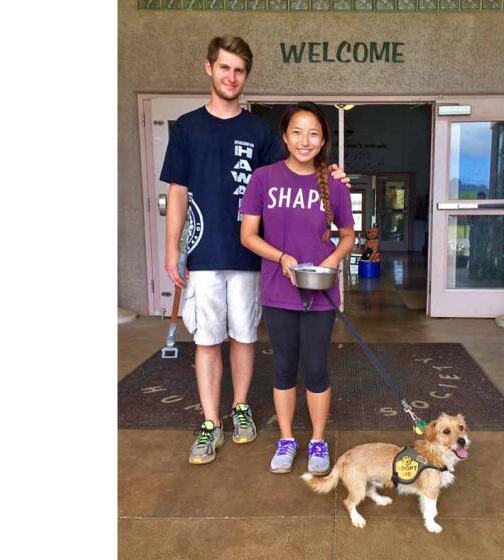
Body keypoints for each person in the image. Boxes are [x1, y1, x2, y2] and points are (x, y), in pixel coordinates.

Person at [160, 37, 349, 465]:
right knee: (207, 340)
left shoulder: (261, 132)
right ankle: (211, 422)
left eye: (239, 71)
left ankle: (240, 407)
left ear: (246, 76)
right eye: (224, 68)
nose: (231, 77)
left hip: (253, 259)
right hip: (204, 254)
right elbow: (177, 190)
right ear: (209, 68)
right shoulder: (186, 128)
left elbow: (298, 166)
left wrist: (334, 171)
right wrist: (172, 249)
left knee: (244, 337)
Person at [240, 102, 356, 475]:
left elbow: (349, 236)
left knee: (317, 368)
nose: (305, 141)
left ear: (323, 141)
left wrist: (332, 260)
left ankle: (318, 440)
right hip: (279, 290)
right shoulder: (263, 178)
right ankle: (287, 439)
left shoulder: (335, 185)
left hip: (321, 293)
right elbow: (247, 236)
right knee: (284, 368)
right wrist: (281, 258)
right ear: (284, 137)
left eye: (313, 134)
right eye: (297, 132)